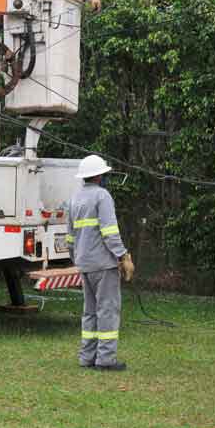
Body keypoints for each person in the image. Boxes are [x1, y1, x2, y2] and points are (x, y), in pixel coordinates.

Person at [67, 154, 134, 371]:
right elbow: (109, 232)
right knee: (107, 310)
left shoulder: (74, 198)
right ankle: (105, 359)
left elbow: (69, 237)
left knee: (90, 311)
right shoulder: (102, 196)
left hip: (84, 263)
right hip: (103, 264)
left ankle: (87, 357)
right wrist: (123, 256)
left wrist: (76, 257)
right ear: (98, 176)